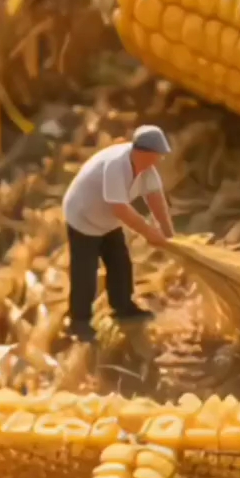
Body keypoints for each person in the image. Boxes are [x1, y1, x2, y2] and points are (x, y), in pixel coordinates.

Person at [62, 125, 175, 341]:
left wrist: (168, 233)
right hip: (83, 216)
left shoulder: (147, 169)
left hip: (107, 221)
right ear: (141, 151)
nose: (158, 160)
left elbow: (155, 199)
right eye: (156, 155)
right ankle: (79, 322)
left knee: (121, 263)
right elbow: (120, 208)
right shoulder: (116, 165)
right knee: (85, 271)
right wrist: (149, 232)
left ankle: (123, 307)